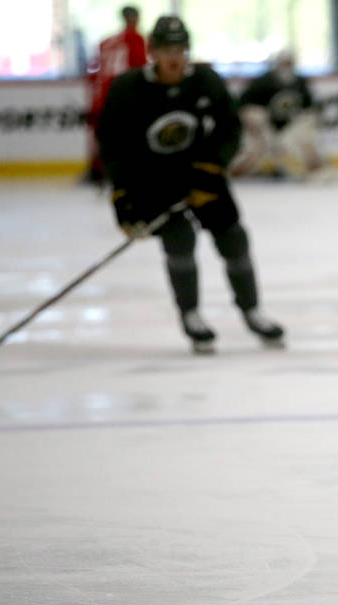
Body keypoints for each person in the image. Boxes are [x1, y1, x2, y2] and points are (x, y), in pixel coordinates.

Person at [97, 16, 285, 354]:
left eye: (181, 50)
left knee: (233, 238)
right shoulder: (128, 89)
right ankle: (191, 314)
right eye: (167, 50)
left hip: (201, 173)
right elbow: (113, 146)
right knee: (180, 240)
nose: (175, 58)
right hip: (153, 182)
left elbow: (229, 127)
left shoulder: (205, 80)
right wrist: (123, 201)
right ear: (152, 52)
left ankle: (252, 309)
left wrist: (212, 169)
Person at [230, 50, 334, 181]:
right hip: (263, 128)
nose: (286, 67)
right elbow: (244, 106)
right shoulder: (263, 82)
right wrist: (253, 124)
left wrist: (308, 122)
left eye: (289, 63)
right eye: (283, 63)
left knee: (304, 143)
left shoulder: (300, 83)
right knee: (253, 152)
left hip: (288, 127)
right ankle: (233, 174)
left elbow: (310, 109)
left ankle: (315, 170)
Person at [83, 6, 147, 185]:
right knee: (130, 135)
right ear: (136, 19)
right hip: (123, 96)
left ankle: (97, 171)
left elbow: (93, 73)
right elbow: (140, 69)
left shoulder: (106, 42)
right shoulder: (136, 39)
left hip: (100, 96)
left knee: (102, 136)